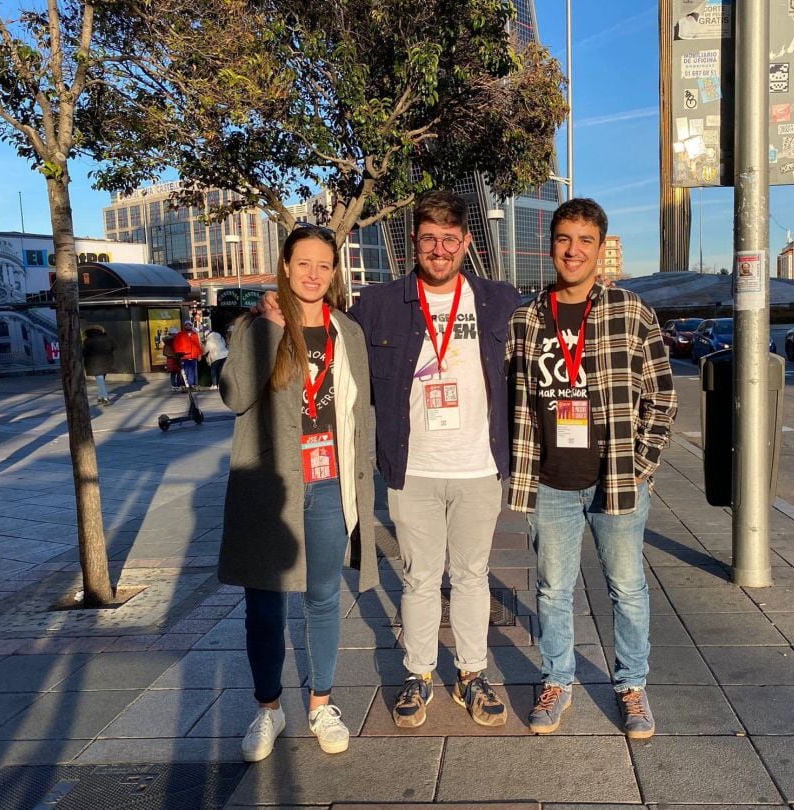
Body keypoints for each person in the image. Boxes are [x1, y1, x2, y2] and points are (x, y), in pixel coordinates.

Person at [506, 198, 677, 738]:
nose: (573, 250)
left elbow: (662, 397)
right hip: (552, 481)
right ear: (551, 245)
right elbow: (514, 399)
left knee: (626, 588)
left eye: (585, 240)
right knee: (554, 590)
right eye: (564, 239)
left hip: (617, 482)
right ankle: (557, 679)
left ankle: (631, 686)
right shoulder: (526, 317)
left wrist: (641, 465)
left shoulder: (631, 311)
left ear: (601, 250)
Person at [350, 191, 521, 728]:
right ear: (414, 245)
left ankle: (472, 673)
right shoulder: (381, 303)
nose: (439, 249)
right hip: (414, 469)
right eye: (429, 239)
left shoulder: (500, 300)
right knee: (420, 578)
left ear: (467, 243)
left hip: (478, 466)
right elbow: (331, 341)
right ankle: (418, 674)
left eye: (450, 239)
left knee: (472, 576)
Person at [219, 225, 378, 762]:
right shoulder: (257, 325)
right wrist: (267, 326)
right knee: (264, 605)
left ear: (334, 272)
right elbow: (235, 395)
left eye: (323, 265)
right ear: (285, 266)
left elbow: (360, 411)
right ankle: (268, 708)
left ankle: (321, 702)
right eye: (303, 263)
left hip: (331, 482)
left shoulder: (345, 331)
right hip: (274, 486)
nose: (313, 274)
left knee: (324, 598)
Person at [82, 324, 116, 405]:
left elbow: (84, 352)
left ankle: (105, 398)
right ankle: (100, 397)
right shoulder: (107, 338)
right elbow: (114, 346)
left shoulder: (88, 340)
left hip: (94, 363)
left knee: (100, 380)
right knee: (101, 380)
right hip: (106, 361)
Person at [173, 321, 203, 388]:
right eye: (187, 325)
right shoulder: (180, 334)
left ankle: (190, 384)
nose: (188, 326)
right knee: (184, 371)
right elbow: (176, 345)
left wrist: (199, 354)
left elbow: (198, 345)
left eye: (189, 325)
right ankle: (184, 385)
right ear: (184, 326)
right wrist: (178, 353)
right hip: (184, 356)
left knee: (192, 371)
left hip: (193, 356)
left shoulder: (194, 334)